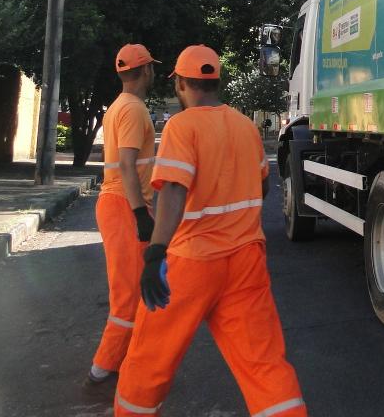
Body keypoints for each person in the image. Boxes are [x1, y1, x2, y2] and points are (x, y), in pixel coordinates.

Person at [115, 45, 306, 417]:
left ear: (183, 84)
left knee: (149, 357)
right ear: (215, 81)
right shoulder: (245, 126)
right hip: (247, 259)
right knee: (263, 362)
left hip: (192, 260)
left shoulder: (182, 126)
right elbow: (263, 186)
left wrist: (155, 252)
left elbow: (172, 188)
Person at [88, 44, 160, 387]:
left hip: (120, 204)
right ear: (145, 70)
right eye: (152, 68)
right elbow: (128, 166)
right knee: (129, 295)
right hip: (124, 206)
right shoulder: (132, 109)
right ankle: (104, 366)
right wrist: (140, 214)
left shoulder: (118, 106)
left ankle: (129, 359)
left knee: (135, 291)